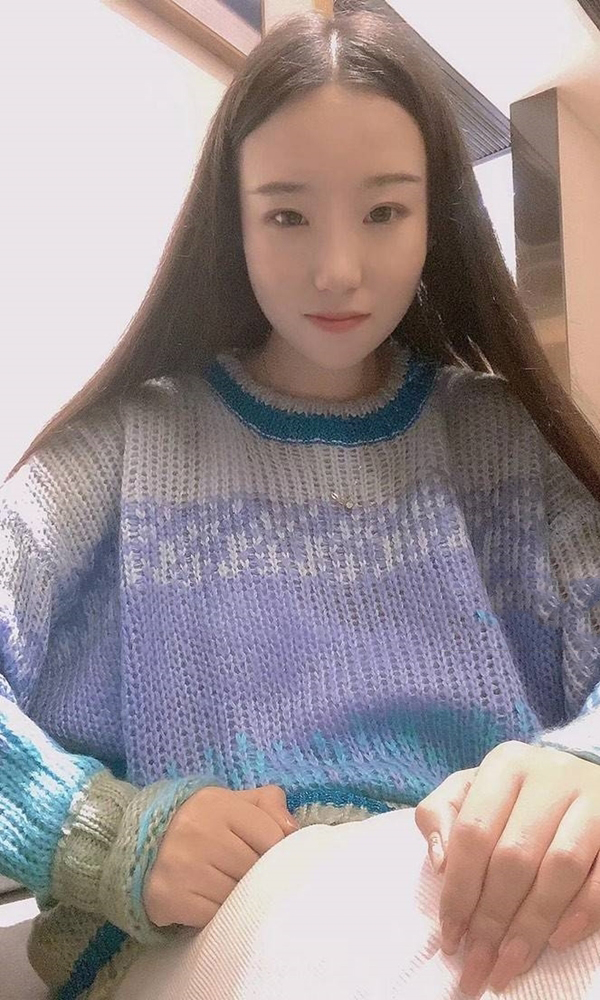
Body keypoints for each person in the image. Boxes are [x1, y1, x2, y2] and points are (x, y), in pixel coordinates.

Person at [2, 5, 600, 999]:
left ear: (437, 216)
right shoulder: (124, 447)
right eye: (288, 215)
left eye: (384, 213)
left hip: (470, 887)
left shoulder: (501, 441)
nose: (338, 269)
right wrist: (100, 835)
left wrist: (582, 764)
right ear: (231, 221)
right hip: (196, 930)